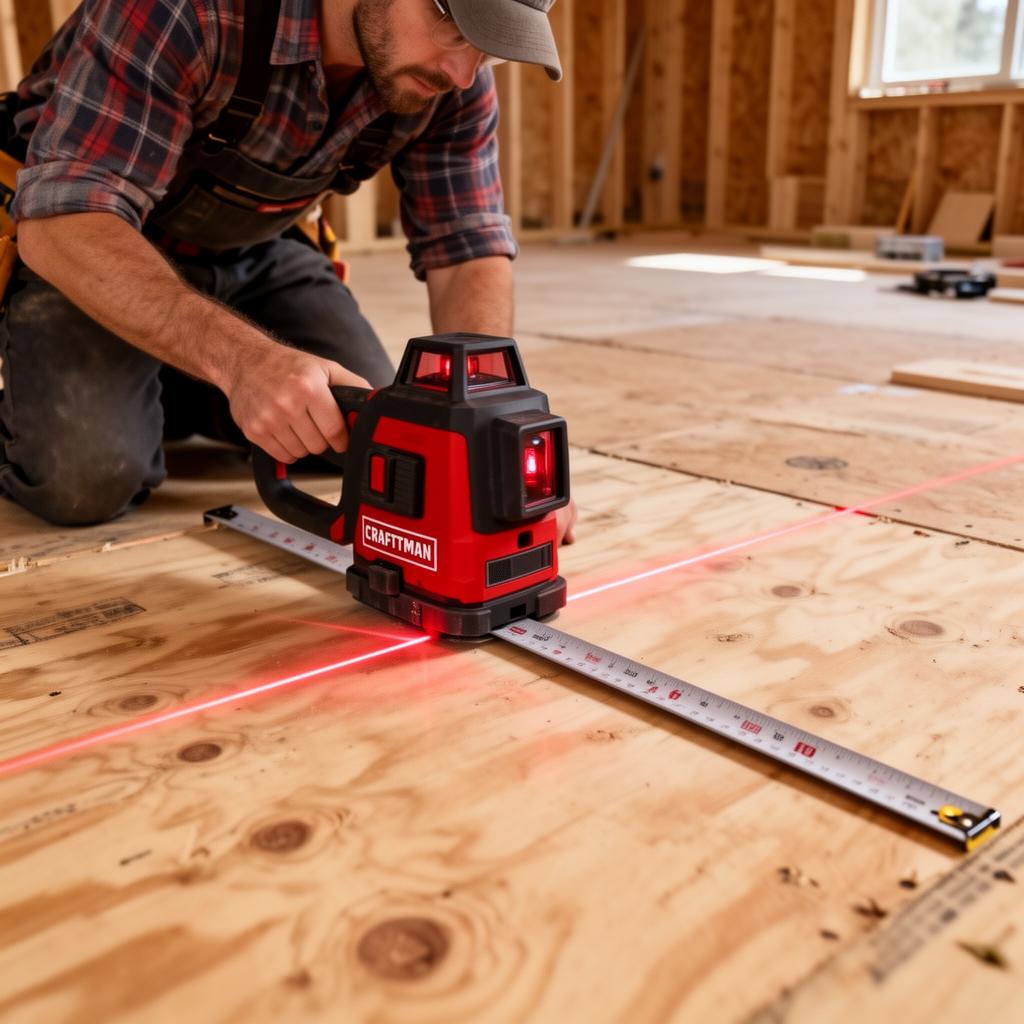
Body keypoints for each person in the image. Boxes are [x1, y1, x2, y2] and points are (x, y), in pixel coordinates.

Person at [0, 0, 577, 542]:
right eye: (456, 29)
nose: (463, 70)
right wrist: (243, 360)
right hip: (91, 247)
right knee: (87, 478)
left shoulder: (453, 78)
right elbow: (62, 223)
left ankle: (161, 381)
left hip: (258, 251)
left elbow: (466, 246)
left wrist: (490, 433)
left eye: (490, 49)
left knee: (375, 436)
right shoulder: (188, 9)